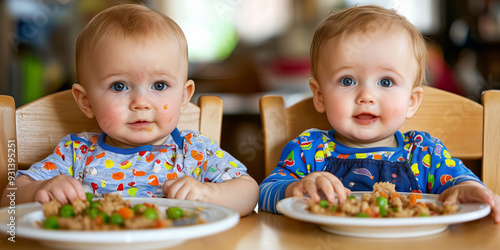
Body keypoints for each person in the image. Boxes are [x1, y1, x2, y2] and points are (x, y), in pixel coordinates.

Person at [3, 4, 258, 216]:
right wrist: (41, 190)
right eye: (119, 86)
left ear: (183, 97)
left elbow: (249, 191)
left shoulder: (194, 152)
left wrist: (209, 193)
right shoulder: (76, 153)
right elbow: (9, 198)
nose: (141, 102)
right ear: (86, 101)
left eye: (159, 85)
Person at [258, 5, 500, 222]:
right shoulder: (309, 150)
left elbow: (461, 183)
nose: (366, 96)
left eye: (385, 82)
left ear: (411, 101)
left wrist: (469, 188)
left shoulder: (425, 153)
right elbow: (265, 195)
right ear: (319, 96)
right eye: (347, 80)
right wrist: (296, 188)